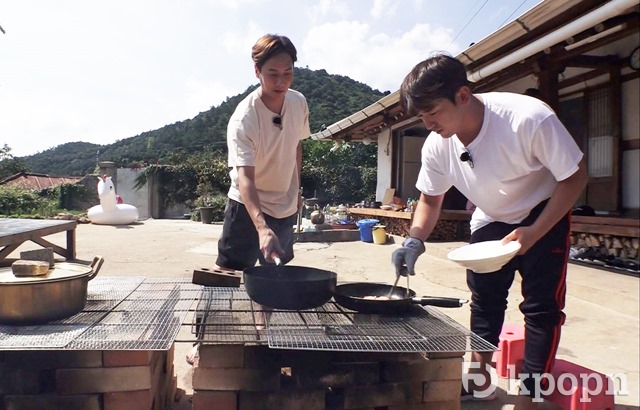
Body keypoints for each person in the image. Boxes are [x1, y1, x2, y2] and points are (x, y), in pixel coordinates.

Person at [392, 53, 588, 409]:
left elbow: (575, 176)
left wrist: (535, 231)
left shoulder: (528, 118)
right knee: (485, 300)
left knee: (541, 307)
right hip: (491, 213)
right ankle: (480, 383)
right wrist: (413, 239)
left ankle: (531, 395)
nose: (428, 122)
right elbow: (429, 200)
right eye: (421, 116)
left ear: (463, 96)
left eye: (433, 112)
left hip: (544, 209)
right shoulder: (438, 143)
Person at [187, 33, 309, 365]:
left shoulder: (298, 102)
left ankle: (262, 335)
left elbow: (296, 145)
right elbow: (245, 178)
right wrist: (261, 226)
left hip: (283, 204)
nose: (281, 80)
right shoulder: (245, 117)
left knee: (271, 276)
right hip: (246, 205)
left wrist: (296, 191)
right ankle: (200, 340)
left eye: (287, 72)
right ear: (257, 71)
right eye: (273, 73)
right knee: (225, 273)